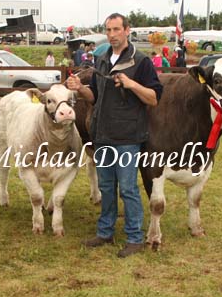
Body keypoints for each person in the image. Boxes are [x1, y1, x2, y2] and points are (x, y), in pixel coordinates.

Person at [67, 13, 163, 258]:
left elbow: (153, 98)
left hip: (129, 136)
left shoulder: (140, 62)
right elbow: (95, 97)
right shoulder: (101, 59)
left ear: (127, 30)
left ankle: (134, 237)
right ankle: (105, 232)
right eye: (108, 30)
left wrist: (132, 85)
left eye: (116, 29)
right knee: (107, 187)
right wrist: (81, 89)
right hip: (103, 134)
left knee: (128, 188)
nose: (112, 34)